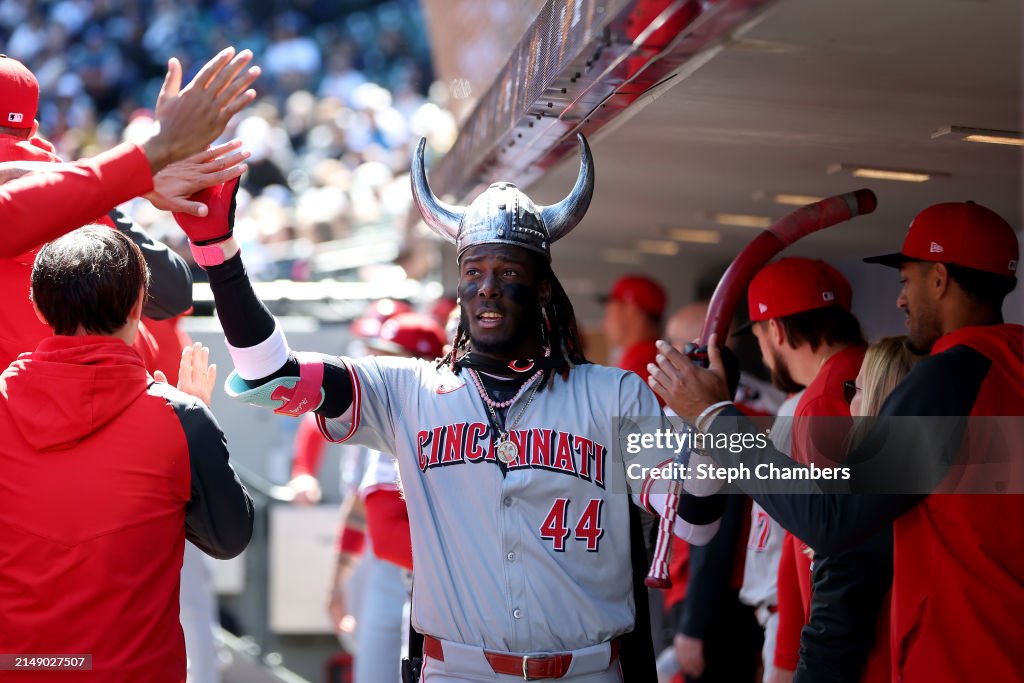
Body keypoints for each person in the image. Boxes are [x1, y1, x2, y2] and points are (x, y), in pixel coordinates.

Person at [172, 135, 721, 682]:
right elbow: (274, 373)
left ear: (544, 291)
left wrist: (713, 422)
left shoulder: (613, 394)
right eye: (473, 271)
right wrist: (220, 256)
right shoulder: (407, 391)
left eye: (508, 272)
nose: (487, 287)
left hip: (585, 672)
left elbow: (695, 522)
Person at [650, 201, 1023, 681]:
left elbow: (834, 523)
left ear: (939, 278)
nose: (899, 300)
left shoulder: (952, 375)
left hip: (967, 658)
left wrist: (714, 418)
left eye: (906, 281)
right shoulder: (1004, 363)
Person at [0, 226, 253, 683]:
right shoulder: (182, 421)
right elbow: (228, 538)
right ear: (139, 307)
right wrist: (196, 430)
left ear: (37, 306)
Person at [0, 49, 260, 370]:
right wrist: (137, 173)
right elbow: (174, 293)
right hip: (91, 404)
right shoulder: (88, 196)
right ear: (31, 128)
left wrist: (132, 174)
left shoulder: (84, 187)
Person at [602, 274, 667, 403]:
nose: (604, 323)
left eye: (610, 312)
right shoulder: (654, 357)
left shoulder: (641, 366)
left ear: (632, 312)